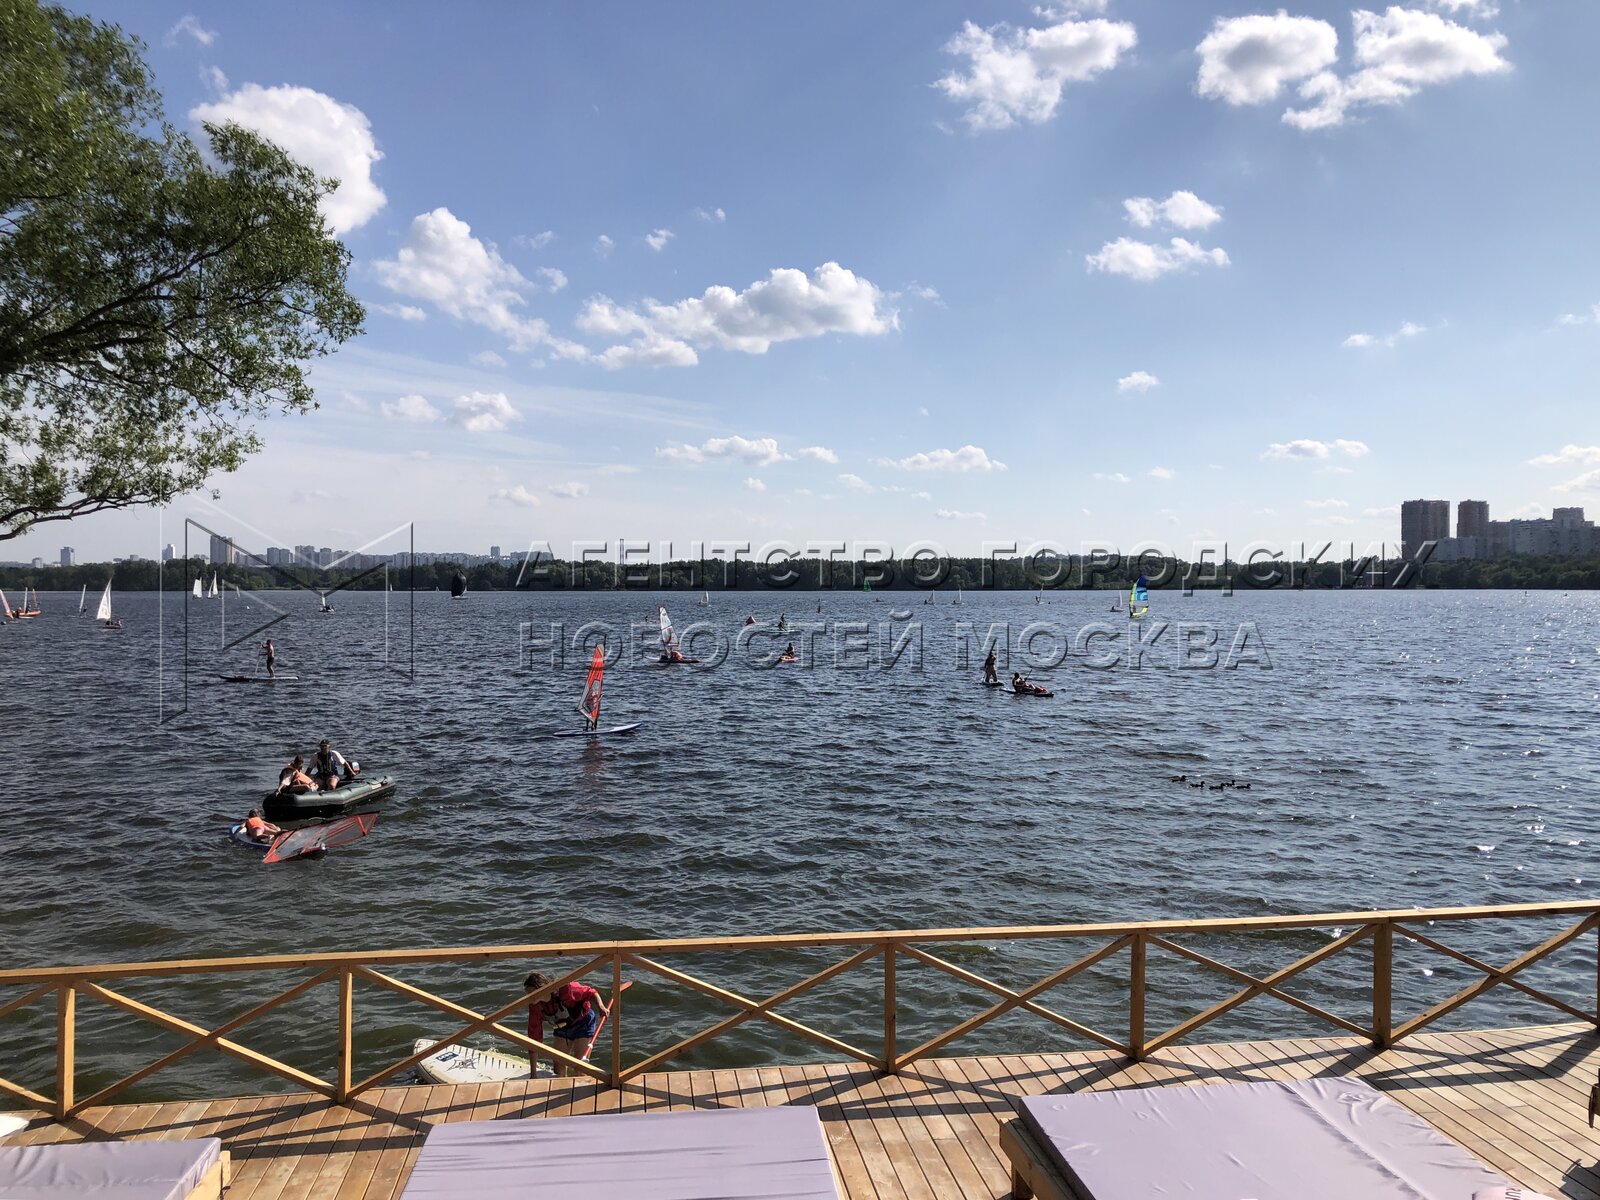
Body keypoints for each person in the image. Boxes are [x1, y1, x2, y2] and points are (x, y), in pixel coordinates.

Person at [524, 971, 606, 1077]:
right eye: (527, 994)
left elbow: (591, 992)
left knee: (580, 1067)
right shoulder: (535, 1006)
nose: (529, 998)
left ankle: (579, 1088)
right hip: (562, 1028)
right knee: (558, 1068)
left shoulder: (565, 989)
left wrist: (601, 1007)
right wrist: (533, 1074)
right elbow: (534, 1038)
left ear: (541, 988)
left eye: (531, 994)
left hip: (583, 1023)